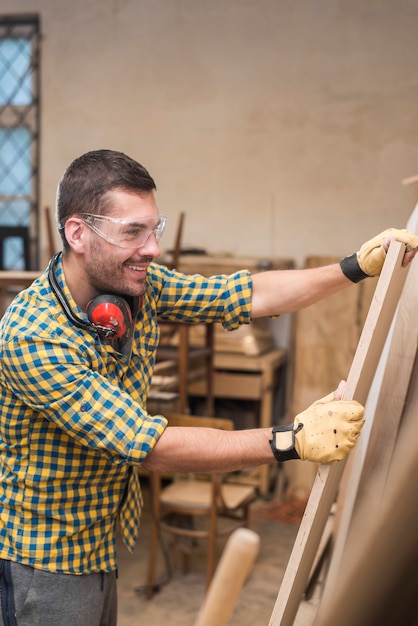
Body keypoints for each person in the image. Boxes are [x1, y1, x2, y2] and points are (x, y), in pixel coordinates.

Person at [0, 149, 417, 626]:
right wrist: (291, 439)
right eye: (132, 232)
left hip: (98, 542)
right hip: (43, 558)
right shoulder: (33, 336)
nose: (152, 249)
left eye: (152, 229)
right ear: (78, 233)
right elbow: (151, 446)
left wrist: (353, 268)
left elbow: (244, 294)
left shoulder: (136, 286)